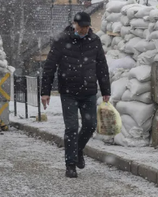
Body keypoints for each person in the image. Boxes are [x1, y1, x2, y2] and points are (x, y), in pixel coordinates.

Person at [40, 12, 111, 178]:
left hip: (89, 91)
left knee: (90, 125)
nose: (84, 30)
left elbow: (102, 67)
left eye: (87, 27)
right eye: (82, 27)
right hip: (69, 92)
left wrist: (106, 90)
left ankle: (78, 150)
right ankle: (70, 164)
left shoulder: (94, 41)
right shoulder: (62, 41)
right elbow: (49, 67)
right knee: (71, 128)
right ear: (75, 25)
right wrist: (45, 92)